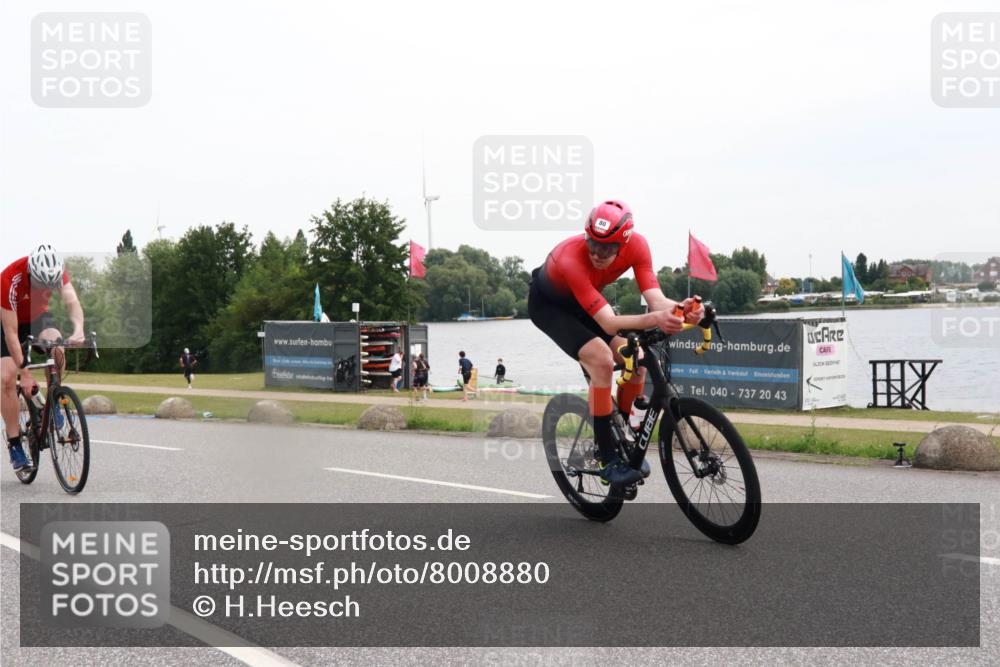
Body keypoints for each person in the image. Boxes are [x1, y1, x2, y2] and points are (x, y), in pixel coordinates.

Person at [528, 200, 704, 485]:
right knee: (601, 360)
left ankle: (621, 431)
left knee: (640, 358)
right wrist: (659, 318)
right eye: (592, 244)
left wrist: (684, 310)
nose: (597, 254)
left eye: (607, 248)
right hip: (550, 307)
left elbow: (655, 299)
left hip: (585, 304)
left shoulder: (638, 246)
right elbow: (610, 323)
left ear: (624, 243)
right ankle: (607, 456)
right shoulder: (571, 258)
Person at [1, 245, 85, 472]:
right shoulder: (10, 278)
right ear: (30, 272)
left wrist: (78, 329)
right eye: (41, 284)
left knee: (57, 347)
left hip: (37, 317)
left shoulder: (57, 272)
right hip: (8, 323)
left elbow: (72, 303)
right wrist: (25, 373)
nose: (46, 289)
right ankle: (15, 443)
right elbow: (11, 333)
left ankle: (54, 398)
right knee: (7, 378)